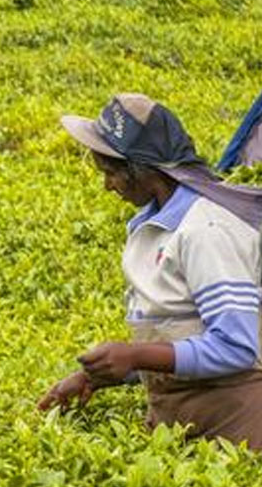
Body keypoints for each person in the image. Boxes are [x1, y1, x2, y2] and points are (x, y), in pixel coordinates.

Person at [39, 93, 262, 450]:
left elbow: (236, 348)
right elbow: (175, 333)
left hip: (235, 420)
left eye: (112, 173)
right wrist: (97, 376)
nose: (107, 185)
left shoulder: (206, 231)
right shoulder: (149, 224)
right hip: (175, 420)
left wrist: (135, 355)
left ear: (144, 169)